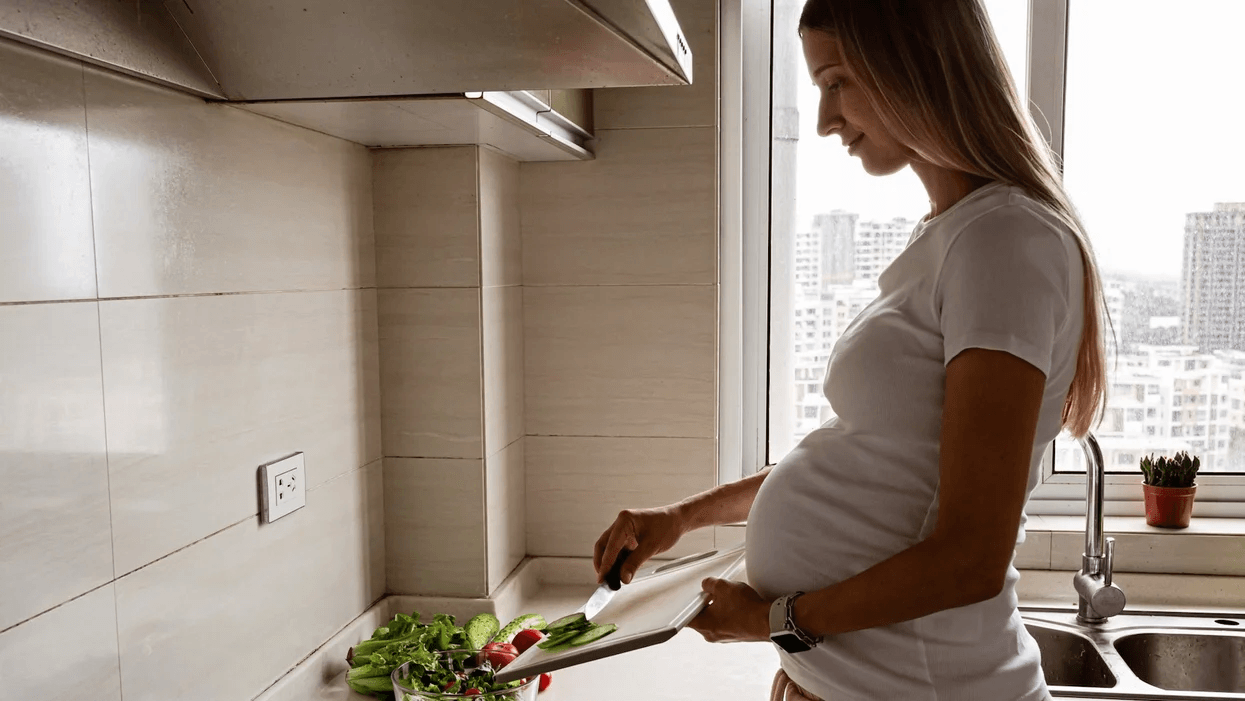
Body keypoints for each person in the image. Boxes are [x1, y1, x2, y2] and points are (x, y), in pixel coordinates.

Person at [592, 1, 1110, 699]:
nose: (824, 120)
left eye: (835, 82)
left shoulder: (1005, 242)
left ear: (914, 66)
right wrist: (681, 518)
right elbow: (868, 463)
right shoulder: (956, 237)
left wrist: (777, 620)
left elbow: (970, 557)